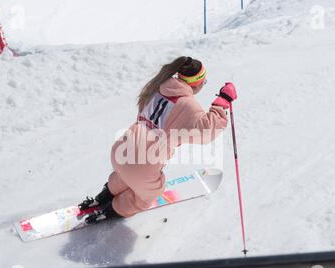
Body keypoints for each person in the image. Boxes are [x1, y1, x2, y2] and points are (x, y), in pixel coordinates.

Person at [79, 56, 237, 224]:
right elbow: (208, 131)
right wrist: (223, 102)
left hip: (121, 150)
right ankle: (110, 210)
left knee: (127, 172)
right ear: (196, 83)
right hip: (144, 166)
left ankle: (103, 197)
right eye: (204, 82)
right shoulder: (187, 105)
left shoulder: (158, 85)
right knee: (147, 196)